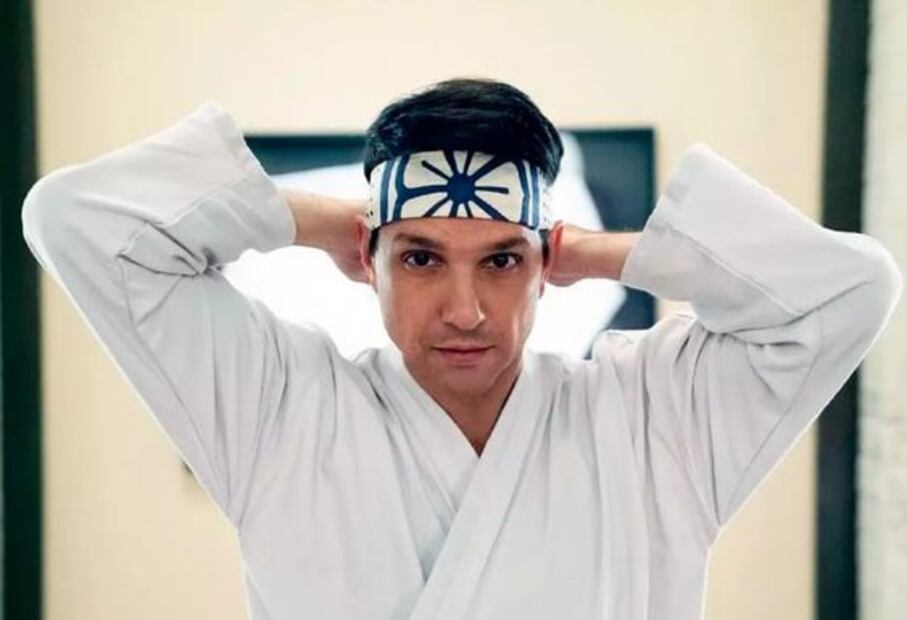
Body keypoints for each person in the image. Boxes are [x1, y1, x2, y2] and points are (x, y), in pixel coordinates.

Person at [21, 77, 901, 620]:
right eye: (419, 259)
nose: (465, 310)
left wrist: (594, 251)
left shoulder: (653, 419)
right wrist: (320, 220)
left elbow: (848, 288)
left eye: (502, 261)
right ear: (368, 263)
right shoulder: (277, 408)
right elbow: (72, 217)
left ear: (543, 265)